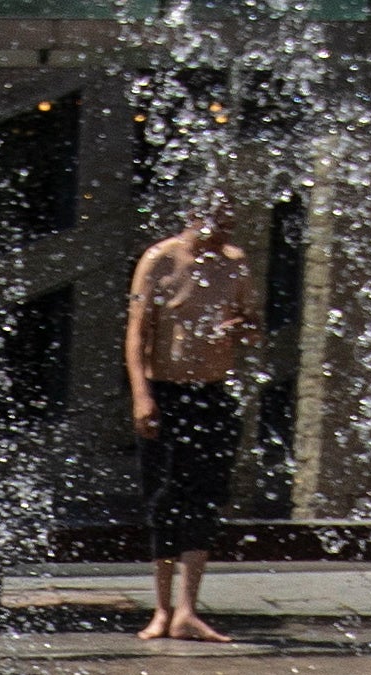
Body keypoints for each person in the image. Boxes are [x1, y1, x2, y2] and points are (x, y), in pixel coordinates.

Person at [126, 188, 260, 645]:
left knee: (204, 498)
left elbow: (252, 326)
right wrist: (142, 396)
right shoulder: (160, 260)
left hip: (213, 393)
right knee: (163, 498)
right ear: (195, 216)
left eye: (230, 223)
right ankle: (161, 610)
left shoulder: (234, 262)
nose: (226, 231)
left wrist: (241, 330)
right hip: (166, 393)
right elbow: (137, 333)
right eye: (219, 222)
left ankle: (188, 610)